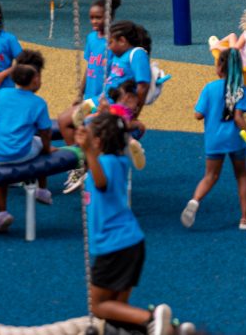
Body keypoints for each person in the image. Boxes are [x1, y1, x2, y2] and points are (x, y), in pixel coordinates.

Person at [80, 108, 172, 335]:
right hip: (130, 243)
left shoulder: (108, 163)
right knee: (117, 312)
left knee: (98, 306)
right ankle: (167, 330)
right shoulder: (119, 161)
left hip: (115, 246)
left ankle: (151, 319)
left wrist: (89, 152)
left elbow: (101, 184)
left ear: (98, 142)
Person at [182, 46, 246, 230]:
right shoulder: (240, 89)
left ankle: (195, 201)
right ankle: (245, 218)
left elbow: (198, 115)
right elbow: (239, 117)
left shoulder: (209, 88)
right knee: (241, 175)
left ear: (219, 67)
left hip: (214, 139)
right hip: (235, 140)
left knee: (210, 176)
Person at [0, 55, 54, 232]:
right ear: (35, 79)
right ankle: (43, 190)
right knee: (40, 146)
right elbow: (45, 131)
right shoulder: (38, 103)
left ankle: (2, 214)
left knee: (0, 176)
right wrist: (47, 149)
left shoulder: (0, 94)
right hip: (20, 154)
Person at [60, 0, 121, 193]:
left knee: (70, 122)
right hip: (90, 96)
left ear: (109, 17)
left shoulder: (114, 43)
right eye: (92, 18)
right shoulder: (91, 38)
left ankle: (82, 166)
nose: (94, 22)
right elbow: (89, 67)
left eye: (98, 18)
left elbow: (115, 72)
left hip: (103, 98)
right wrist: (80, 92)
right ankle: (81, 164)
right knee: (69, 123)